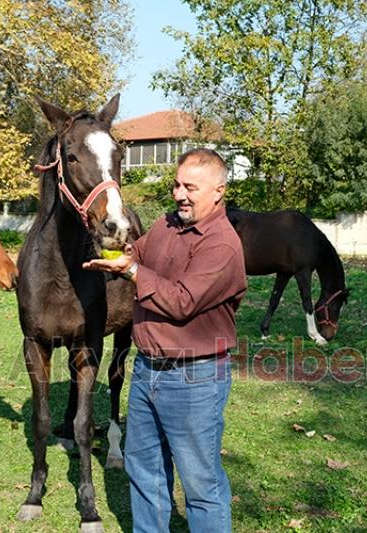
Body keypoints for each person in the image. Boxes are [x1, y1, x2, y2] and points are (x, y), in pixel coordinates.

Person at [83, 148, 246, 532]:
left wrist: (135, 271)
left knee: (201, 484)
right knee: (145, 471)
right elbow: (137, 251)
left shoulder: (221, 244)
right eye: (176, 184)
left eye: (191, 187)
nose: (179, 194)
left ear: (219, 191)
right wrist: (123, 255)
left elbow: (182, 302)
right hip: (147, 372)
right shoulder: (168, 224)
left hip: (195, 379)